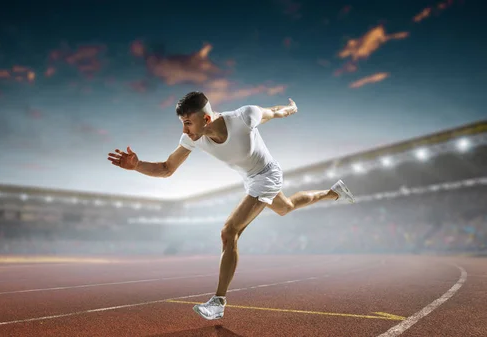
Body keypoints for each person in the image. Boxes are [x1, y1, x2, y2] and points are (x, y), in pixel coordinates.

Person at [107, 91, 355, 320]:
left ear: (206, 118)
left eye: (188, 122)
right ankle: (333, 193)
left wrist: (290, 109)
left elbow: (274, 111)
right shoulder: (192, 138)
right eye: (182, 122)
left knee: (229, 232)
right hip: (250, 179)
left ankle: (218, 302)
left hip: (268, 174)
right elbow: (166, 169)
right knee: (286, 207)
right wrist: (137, 165)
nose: (184, 129)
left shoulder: (244, 117)